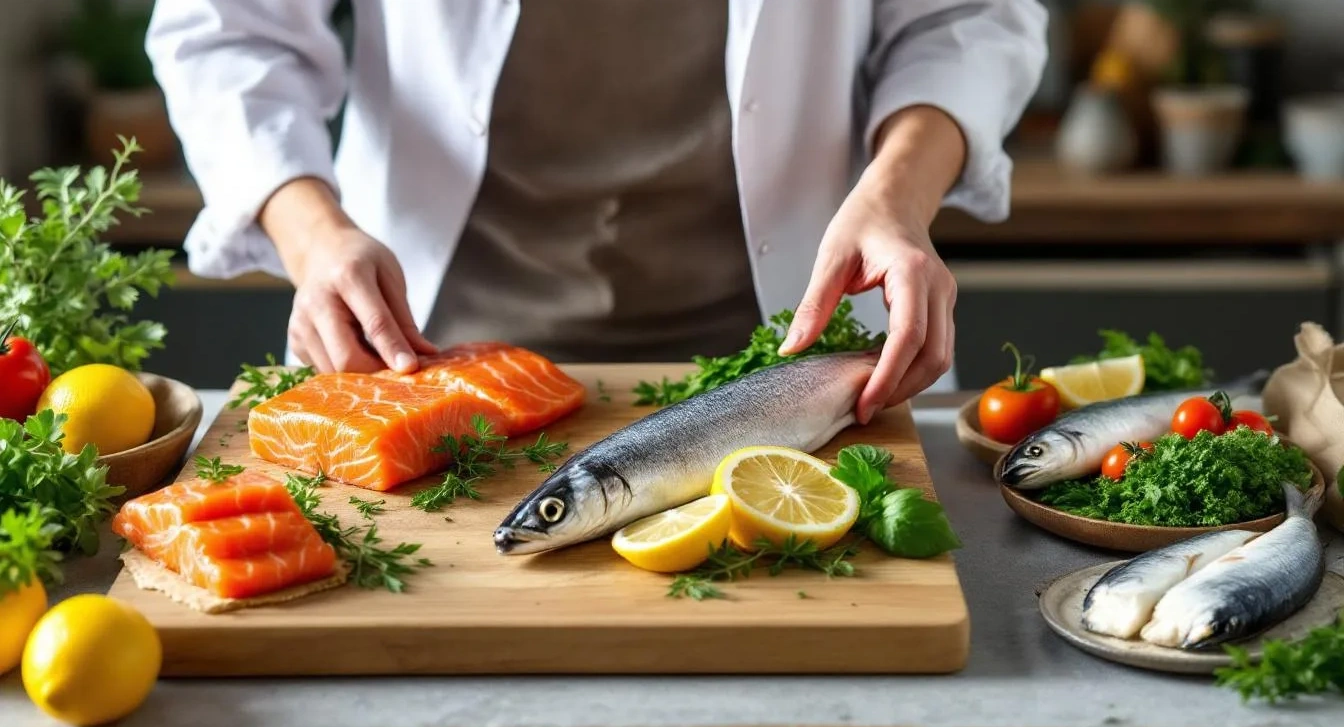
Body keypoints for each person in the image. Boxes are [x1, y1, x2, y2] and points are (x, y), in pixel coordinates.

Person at [147, 0, 1047, 423]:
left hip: (791, 359)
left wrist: (895, 197)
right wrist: (313, 235)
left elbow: (967, 19)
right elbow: (227, 30)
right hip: (424, 349)